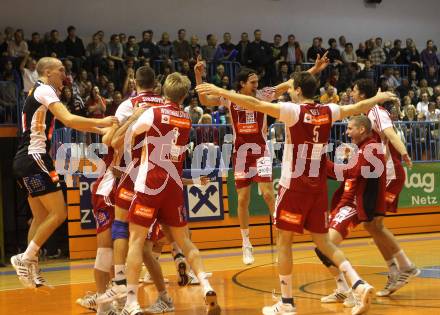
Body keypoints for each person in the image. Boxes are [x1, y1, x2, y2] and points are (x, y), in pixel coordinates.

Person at [196, 66, 397, 315]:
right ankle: (357, 283)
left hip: (294, 185)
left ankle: (287, 303)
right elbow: (353, 109)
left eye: (291, 88)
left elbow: (252, 103)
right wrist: (377, 99)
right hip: (318, 186)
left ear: (299, 91)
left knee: (284, 241)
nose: (288, 91)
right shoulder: (327, 110)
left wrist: (218, 90)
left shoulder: (293, 111)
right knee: (323, 242)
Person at [195, 54, 324, 265]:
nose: (257, 85)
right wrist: (198, 76)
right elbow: (204, 100)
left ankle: (281, 232)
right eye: (253, 82)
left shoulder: (263, 95)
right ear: (242, 84)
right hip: (241, 153)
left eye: (257, 82)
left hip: (261, 151)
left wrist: (314, 70)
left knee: (267, 194)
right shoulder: (230, 97)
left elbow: (288, 84)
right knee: (243, 199)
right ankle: (246, 242)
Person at [10, 57, 116, 288]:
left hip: (24, 159)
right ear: (47, 72)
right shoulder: (46, 89)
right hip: (34, 157)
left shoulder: (36, 91)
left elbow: (69, 122)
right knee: (60, 213)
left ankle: (32, 270)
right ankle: (25, 257)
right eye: (60, 70)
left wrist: (98, 127)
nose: (64, 74)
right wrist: (104, 121)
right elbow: (69, 119)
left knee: (40, 217)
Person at [121, 72, 220, 315]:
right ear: (185, 95)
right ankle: (206, 284)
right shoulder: (187, 119)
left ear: (163, 90)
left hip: (150, 183)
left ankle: (131, 303)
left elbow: (128, 134)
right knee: (184, 241)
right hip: (174, 185)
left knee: (136, 242)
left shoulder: (152, 113)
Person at [94, 66, 166, 307]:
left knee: (120, 228)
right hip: (161, 175)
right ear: (155, 84)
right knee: (147, 245)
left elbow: (111, 141)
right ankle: (164, 296)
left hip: (131, 171)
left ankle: (120, 286)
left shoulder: (129, 104)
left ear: (134, 82)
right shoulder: (166, 104)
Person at [355, 79, 419, 297]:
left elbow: (391, 134)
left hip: (391, 173)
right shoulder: (363, 113)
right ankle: (394, 270)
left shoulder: (376, 112)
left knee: (376, 224)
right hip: (379, 174)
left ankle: (405, 267)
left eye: (354, 91)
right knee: (369, 226)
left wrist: (403, 153)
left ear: (362, 94)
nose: (351, 94)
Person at [318, 115, 387, 307]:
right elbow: (347, 173)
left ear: (362, 129)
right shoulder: (362, 150)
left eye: (350, 128)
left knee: (326, 246)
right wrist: (325, 162)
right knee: (321, 248)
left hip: (353, 207)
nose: (347, 132)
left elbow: (360, 176)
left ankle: (358, 289)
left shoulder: (371, 149)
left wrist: (373, 213)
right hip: (344, 204)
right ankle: (342, 289)